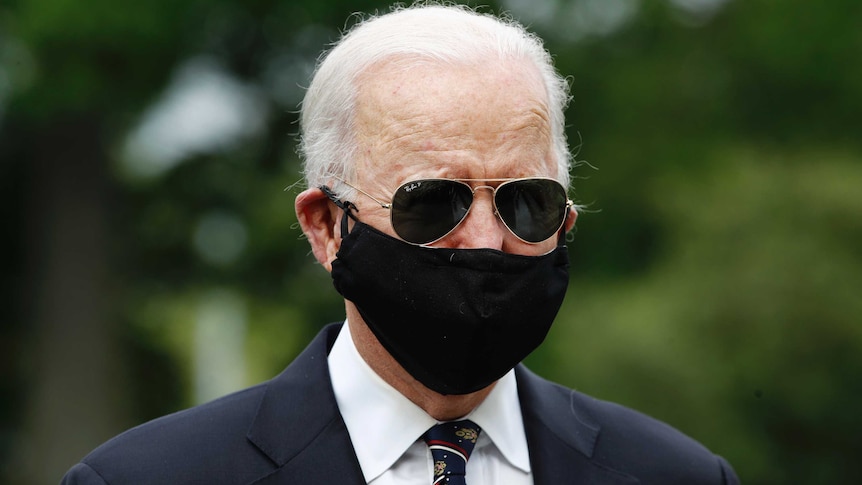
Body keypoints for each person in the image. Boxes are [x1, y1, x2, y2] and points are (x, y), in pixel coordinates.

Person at [62, 4, 739, 484]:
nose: (484, 238)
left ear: (566, 219)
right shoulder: (145, 477)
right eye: (432, 202)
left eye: (526, 202)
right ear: (327, 225)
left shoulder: (675, 473)